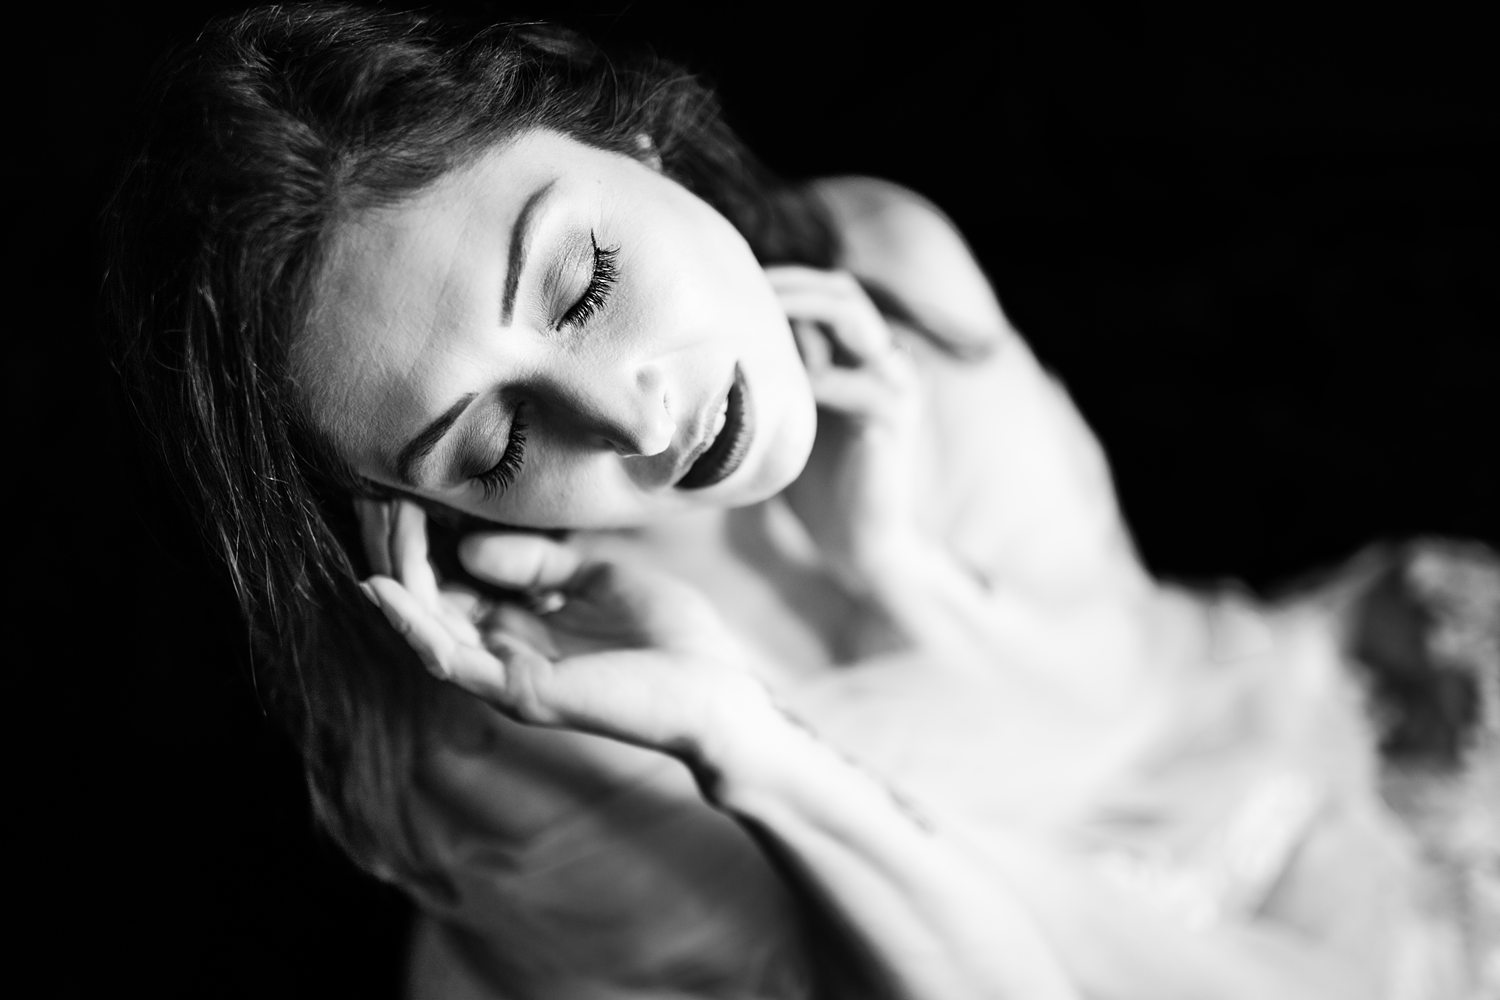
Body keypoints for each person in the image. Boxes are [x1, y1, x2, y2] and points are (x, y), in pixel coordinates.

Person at [103, 3, 1497, 997]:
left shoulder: (880, 259)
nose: (636, 417)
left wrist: (895, 573)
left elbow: (1128, 679)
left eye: (586, 286)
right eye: (495, 441)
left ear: (628, 137)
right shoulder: (505, 728)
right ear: (417, 511)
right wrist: (740, 744)